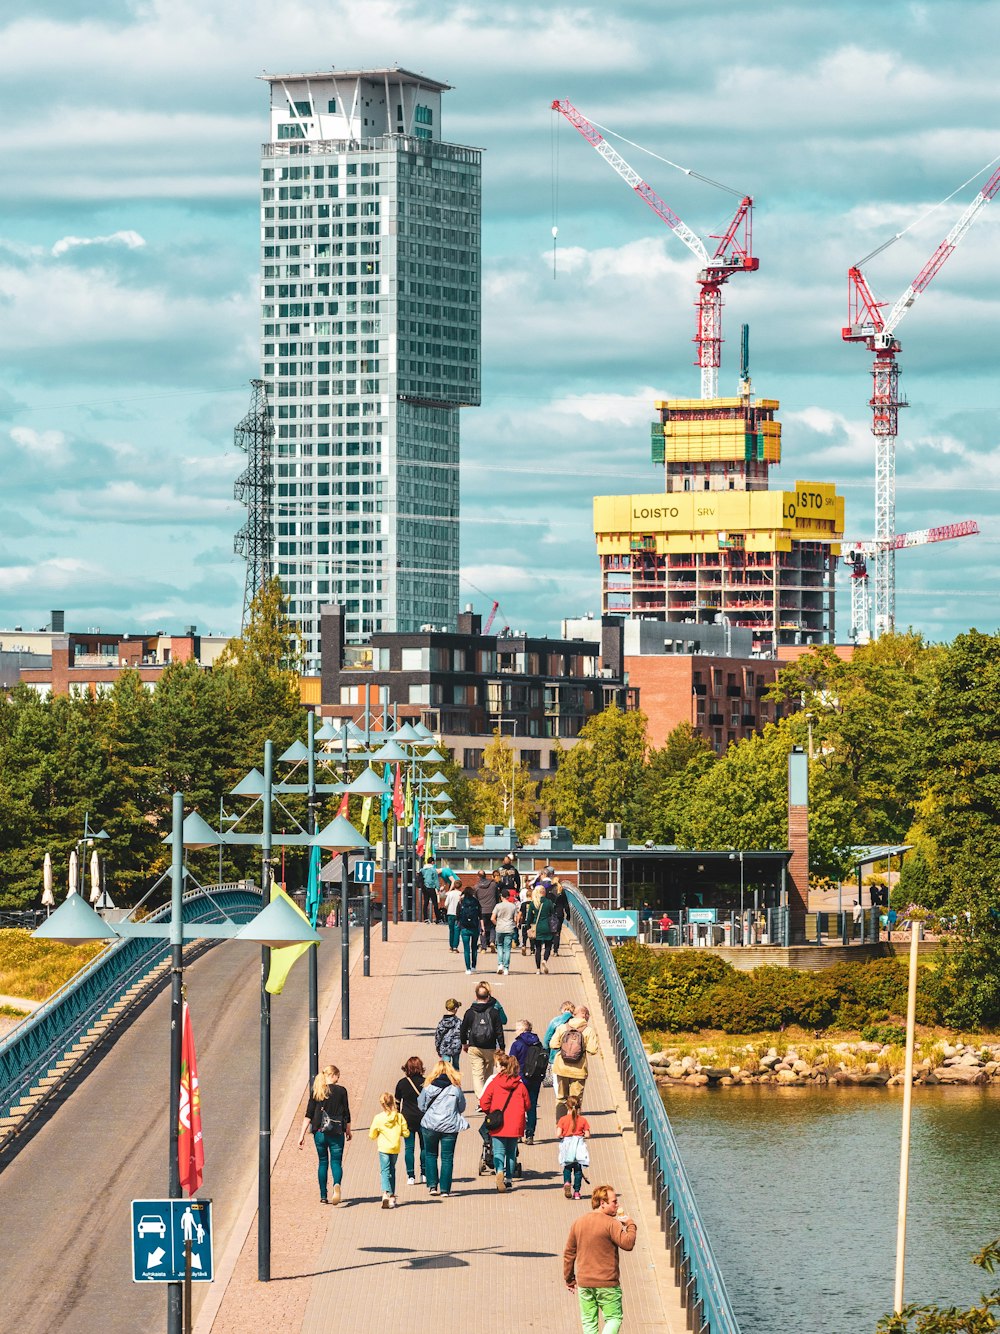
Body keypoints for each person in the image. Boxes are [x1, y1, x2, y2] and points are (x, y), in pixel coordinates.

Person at [563, 1184, 637, 1334]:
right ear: (602, 1203)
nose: (617, 1205)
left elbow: (569, 1253)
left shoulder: (579, 1222)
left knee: (589, 1321)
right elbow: (628, 1244)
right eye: (614, 1202)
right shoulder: (611, 1224)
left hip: (585, 1283)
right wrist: (630, 1224)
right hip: (607, 1283)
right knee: (614, 1318)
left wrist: (569, 1279)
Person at [297, 1064, 352, 1205]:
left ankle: (323, 1195)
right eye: (337, 1076)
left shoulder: (317, 1091)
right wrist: (348, 1130)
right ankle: (336, 1185)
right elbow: (346, 1113)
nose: (338, 1078)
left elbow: (308, 1115)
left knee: (322, 1162)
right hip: (336, 1132)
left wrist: (301, 1135)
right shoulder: (341, 1091)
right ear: (332, 1075)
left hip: (320, 1133)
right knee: (336, 1162)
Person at [478, 1052, 530, 1194]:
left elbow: (483, 1103)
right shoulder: (520, 1085)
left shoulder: (495, 1083)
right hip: (515, 1123)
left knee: (499, 1151)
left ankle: (499, 1170)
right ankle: (508, 1179)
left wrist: (490, 1112)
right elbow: (528, 1105)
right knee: (511, 1153)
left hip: (498, 1122)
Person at [417, 1060, 468, 1197]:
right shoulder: (456, 1088)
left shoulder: (428, 1087)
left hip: (430, 1125)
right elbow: (462, 1107)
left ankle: (433, 1186)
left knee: (430, 1155)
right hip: (450, 1127)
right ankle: (445, 1189)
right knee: (447, 1158)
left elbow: (421, 1106)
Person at [551, 1004, 601, 1119]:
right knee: (576, 1100)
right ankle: (573, 1127)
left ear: (574, 1015)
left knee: (561, 1098)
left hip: (561, 1068)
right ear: (586, 1016)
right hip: (578, 1070)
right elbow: (593, 1050)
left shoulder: (562, 1027)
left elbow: (553, 1044)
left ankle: (560, 1125)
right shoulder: (588, 1030)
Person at [460, 980, 506, 1101]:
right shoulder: (494, 1012)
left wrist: (464, 1043)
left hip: (474, 1046)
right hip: (490, 1047)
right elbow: (499, 1031)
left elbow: (463, 1029)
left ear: (476, 996)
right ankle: (488, 1096)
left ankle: (482, 1099)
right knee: (488, 1072)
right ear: (488, 996)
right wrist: (501, 1047)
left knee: (477, 1074)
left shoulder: (470, 1012)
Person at [368, 1091, 409, 1209]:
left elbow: (372, 1134)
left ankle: (386, 1193)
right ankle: (392, 1196)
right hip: (395, 1147)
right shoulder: (399, 1117)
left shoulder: (378, 1118)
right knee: (392, 1169)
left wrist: (376, 1134)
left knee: (384, 1171)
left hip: (383, 1147)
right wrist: (401, 1132)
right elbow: (406, 1132)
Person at [509, 1018, 548, 1144]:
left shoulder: (517, 1044)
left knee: (519, 1107)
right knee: (531, 1106)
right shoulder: (537, 1043)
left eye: (517, 1028)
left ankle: (519, 1133)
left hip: (521, 1079)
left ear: (522, 1029)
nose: (515, 1031)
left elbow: (511, 1062)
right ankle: (530, 1134)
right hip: (535, 1078)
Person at [394, 1056, 426, 1186]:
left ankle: (410, 1175)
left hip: (407, 1118)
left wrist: (397, 1117)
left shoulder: (402, 1083)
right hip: (424, 1118)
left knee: (409, 1148)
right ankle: (424, 1173)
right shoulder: (426, 1082)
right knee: (424, 1147)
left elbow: (397, 1102)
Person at [557, 1096, 591, 1199]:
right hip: (578, 1146)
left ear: (567, 1106)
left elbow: (558, 1134)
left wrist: (563, 1135)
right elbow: (587, 1134)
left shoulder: (562, 1119)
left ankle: (567, 1183)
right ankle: (576, 1192)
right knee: (578, 1170)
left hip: (567, 1145)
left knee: (567, 1167)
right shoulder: (583, 1120)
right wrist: (581, 1136)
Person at [523, 881, 556, 974]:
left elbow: (529, 917)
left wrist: (528, 926)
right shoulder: (549, 902)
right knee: (548, 946)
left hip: (537, 928)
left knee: (537, 948)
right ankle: (545, 960)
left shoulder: (533, 903)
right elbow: (553, 914)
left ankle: (538, 969)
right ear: (544, 892)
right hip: (547, 927)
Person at [545, 1000, 576, 1093]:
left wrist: (547, 1053)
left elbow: (547, 1039)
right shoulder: (576, 1022)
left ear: (562, 1010)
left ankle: (561, 1102)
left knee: (557, 1081)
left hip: (556, 1055)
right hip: (574, 1056)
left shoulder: (555, 1021)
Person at [492, 891, 520, 976]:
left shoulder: (498, 906)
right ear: (508, 897)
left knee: (499, 946)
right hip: (509, 928)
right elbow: (515, 919)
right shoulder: (513, 906)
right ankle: (506, 968)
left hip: (500, 928)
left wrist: (497, 924)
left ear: (501, 896)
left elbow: (492, 918)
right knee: (507, 948)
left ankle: (500, 964)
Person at [456, 884, 483, 973]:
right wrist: (482, 927)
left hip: (464, 927)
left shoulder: (461, 902)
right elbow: (480, 915)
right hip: (475, 927)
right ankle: (473, 966)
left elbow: (457, 915)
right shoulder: (476, 901)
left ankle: (468, 969)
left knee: (466, 949)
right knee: (474, 947)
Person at [475, 870, 501, 953]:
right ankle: (492, 941)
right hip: (492, 909)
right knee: (493, 926)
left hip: (482, 910)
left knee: (482, 928)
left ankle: (483, 947)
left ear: (478, 877)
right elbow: (497, 897)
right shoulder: (493, 885)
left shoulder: (476, 887)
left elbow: (475, 899)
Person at [435, 997, 463, 1070]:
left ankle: (445, 1079)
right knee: (456, 1066)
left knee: (445, 1067)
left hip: (445, 1048)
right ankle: (455, 1079)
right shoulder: (459, 1022)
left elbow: (438, 1036)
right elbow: (464, 1034)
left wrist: (438, 1048)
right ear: (456, 1009)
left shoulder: (442, 1023)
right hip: (456, 1048)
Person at [550, 879, 571, 956]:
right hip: (559, 914)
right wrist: (568, 915)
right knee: (557, 933)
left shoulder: (549, 890)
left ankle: (549, 947)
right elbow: (566, 904)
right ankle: (555, 950)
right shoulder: (562, 891)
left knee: (551, 931)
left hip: (551, 913)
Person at [443, 877, 464, 953]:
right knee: (457, 930)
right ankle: (455, 947)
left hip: (450, 913)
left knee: (451, 930)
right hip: (458, 914)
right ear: (461, 886)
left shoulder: (450, 894)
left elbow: (445, 904)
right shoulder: (461, 895)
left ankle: (451, 946)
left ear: (454, 886)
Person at [420, 856, 442, 924]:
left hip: (424, 887)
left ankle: (425, 918)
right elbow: (436, 880)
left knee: (426, 903)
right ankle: (438, 918)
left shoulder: (422, 869)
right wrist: (438, 888)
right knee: (435, 904)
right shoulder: (433, 870)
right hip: (431, 887)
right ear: (432, 862)